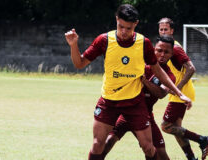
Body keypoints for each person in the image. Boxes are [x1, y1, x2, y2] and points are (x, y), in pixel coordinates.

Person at [65, 5, 192, 160]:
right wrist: (73, 46)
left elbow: (158, 70)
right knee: (98, 144)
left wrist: (180, 93)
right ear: (116, 20)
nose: (124, 32)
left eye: (129, 28)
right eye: (121, 27)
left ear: (136, 24)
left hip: (134, 103)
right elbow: (80, 63)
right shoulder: (104, 40)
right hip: (109, 100)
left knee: (149, 148)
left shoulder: (143, 43)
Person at [101, 35, 176, 160]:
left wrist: (143, 80)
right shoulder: (140, 64)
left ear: (172, 53)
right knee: (108, 141)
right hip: (126, 112)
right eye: (159, 50)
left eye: (166, 52)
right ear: (153, 50)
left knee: (160, 153)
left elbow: (161, 93)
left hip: (146, 115)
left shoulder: (168, 75)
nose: (162, 54)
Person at [158, 17, 208, 160]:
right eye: (161, 29)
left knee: (165, 126)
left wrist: (178, 90)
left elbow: (191, 68)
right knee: (177, 129)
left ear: (172, 31)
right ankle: (191, 158)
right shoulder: (165, 47)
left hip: (181, 93)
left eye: (166, 29)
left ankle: (202, 139)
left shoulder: (175, 48)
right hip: (178, 92)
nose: (163, 32)